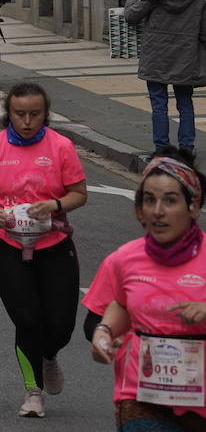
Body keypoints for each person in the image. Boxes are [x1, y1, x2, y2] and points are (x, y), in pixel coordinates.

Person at [0, 83, 86, 418]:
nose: (27, 121)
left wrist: (55, 204)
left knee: (61, 325)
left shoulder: (61, 147)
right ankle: (33, 392)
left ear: (45, 114)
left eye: (34, 114)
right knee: (27, 318)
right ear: (9, 113)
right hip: (6, 244)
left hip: (54, 243)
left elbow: (79, 193)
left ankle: (49, 355)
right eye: (20, 114)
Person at [88, 152, 206, 431]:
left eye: (170, 200)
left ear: (193, 207)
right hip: (143, 397)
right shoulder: (124, 259)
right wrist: (103, 333)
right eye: (149, 200)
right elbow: (121, 304)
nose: (158, 211)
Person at [124, 0, 206, 156]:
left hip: (156, 58)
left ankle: (162, 149)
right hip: (185, 58)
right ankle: (187, 149)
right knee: (185, 104)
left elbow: (131, 16)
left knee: (159, 105)